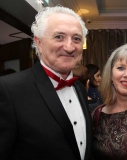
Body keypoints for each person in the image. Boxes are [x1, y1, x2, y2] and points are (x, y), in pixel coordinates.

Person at [0, 6, 93, 160]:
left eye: (76, 38)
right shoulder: (9, 89)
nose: (69, 47)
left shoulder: (80, 88)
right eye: (59, 37)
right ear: (39, 43)